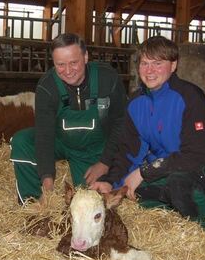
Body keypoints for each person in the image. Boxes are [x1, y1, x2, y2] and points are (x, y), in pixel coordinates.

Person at [88, 35, 205, 231]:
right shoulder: (135, 103)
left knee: (179, 185)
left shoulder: (189, 97)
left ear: (173, 65)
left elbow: (200, 154)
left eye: (158, 63)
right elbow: (129, 152)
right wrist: (110, 182)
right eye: (145, 63)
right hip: (164, 171)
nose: (149, 70)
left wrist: (145, 171)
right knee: (133, 192)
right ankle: (173, 216)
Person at [9, 33, 128, 203]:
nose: (68, 71)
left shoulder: (107, 78)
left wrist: (104, 162)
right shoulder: (47, 86)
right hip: (62, 141)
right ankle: (33, 204)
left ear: (85, 57)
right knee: (22, 141)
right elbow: (44, 135)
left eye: (74, 63)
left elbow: (120, 123)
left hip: (95, 148)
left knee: (90, 200)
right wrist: (47, 180)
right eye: (61, 65)